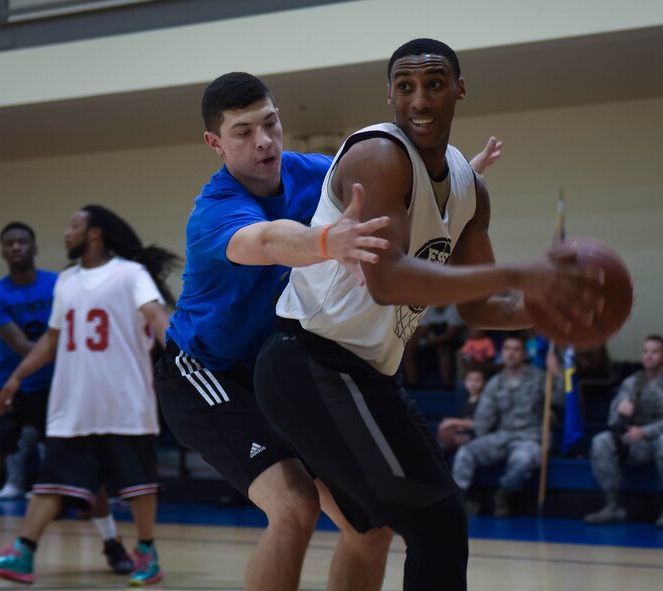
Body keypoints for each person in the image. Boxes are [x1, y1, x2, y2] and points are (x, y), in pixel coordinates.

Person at [254, 38, 605, 591]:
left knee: (375, 529)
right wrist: (518, 273)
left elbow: (479, 307)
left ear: (459, 90)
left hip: (366, 374)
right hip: (309, 363)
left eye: (435, 85)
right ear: (390, 94)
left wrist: (546, 308)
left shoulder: (469, 188)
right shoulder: (378, 156)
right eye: (405, 87)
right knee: (436, 520)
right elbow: (389, 279)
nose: (419, 100)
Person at [154, 71, 505, 591]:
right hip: (207, 372)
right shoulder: (214, 210)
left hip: (285, 372)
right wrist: (326, 242)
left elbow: (402, 193)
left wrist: (445, 189)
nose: (264, 141)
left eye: (270, 123)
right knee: (294, 505)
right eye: (244, 132)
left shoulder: (316, 172)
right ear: (215, 143)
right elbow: (270, 241)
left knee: (372, 526)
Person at [0, 206, 176, 586]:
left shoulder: (130, 274)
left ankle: (146, 551)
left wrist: (182, 360)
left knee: (138, 486)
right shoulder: (65, 281)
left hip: (125, 400)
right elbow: (50, 341)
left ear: (95, 233)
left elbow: (156, 316)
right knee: (51, 482)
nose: (67, 233)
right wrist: (15, 378)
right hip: (73, 404)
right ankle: (23, 552)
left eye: (74, 226)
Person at [0, 222, 131, 586]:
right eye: (8, 243)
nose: (15, 247)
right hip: (9, 389)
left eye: (22, 242)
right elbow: (26, 349)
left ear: (34, 248)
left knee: (87, 470)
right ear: (2, 251)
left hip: (57, 390)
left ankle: (113, 544)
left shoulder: (58, 283)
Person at [584, 335, 663, 528]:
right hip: (641, 442)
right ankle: (613, 506)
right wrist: (620, 412)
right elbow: (613, 422)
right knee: (601, 441)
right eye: (645, 351)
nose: (649, 356)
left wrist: (645, 431)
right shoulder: (632, 382)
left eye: (654, 352)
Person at [451, 335, 546, 517]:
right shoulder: (495, 383)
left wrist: (556, 372)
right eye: (507, 349)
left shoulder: (540, 378)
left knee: (522, 460)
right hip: (503, 435)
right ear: (502, 354)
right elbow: (484, 418)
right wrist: (470, 435)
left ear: (525, 354)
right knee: (466, 452)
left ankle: (503, 495)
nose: (511, 354)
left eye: (516, 349)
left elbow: (561, 400)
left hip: (529, 437)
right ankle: (460, 498)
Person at [403, 304, 465, 389]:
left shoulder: (454, 309)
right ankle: (413, 385)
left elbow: (449, 335)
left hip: (455, 341)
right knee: (409, 350)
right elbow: (423, 330)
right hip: (432, 341)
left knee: (442, 350)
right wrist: (414, 341)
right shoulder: (429, 308)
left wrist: (426, 342)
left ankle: (447, 386)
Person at [437, 368, 486, 454]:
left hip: (478, 436)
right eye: (469, 380)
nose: (473, 384)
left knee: (447, 437)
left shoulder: (485, 402)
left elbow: (479, 423)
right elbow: (464, 421)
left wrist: (453, 421)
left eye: (477, 380)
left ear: (484, 383)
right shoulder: (466, 402)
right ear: (465, 382)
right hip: (465, 433)